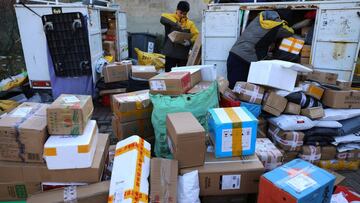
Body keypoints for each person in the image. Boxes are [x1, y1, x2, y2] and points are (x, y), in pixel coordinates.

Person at [227, 10, 294, 89]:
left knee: (232, 86)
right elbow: (290, 32)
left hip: (234, 54)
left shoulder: (258, 19)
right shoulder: (278, 26)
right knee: (242, 89)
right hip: (246, 59)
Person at [160, 1, 199, 72]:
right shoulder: (170, 17)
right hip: (170, 54)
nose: (182, 15)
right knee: (168, 75)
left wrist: (190, 42)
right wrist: (176, 24)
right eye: (181, 13)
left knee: (181, 75)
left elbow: (196, 34)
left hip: (182, 56)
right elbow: (163, 17)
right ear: (176, 10)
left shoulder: (190, 24)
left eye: (185, 14)